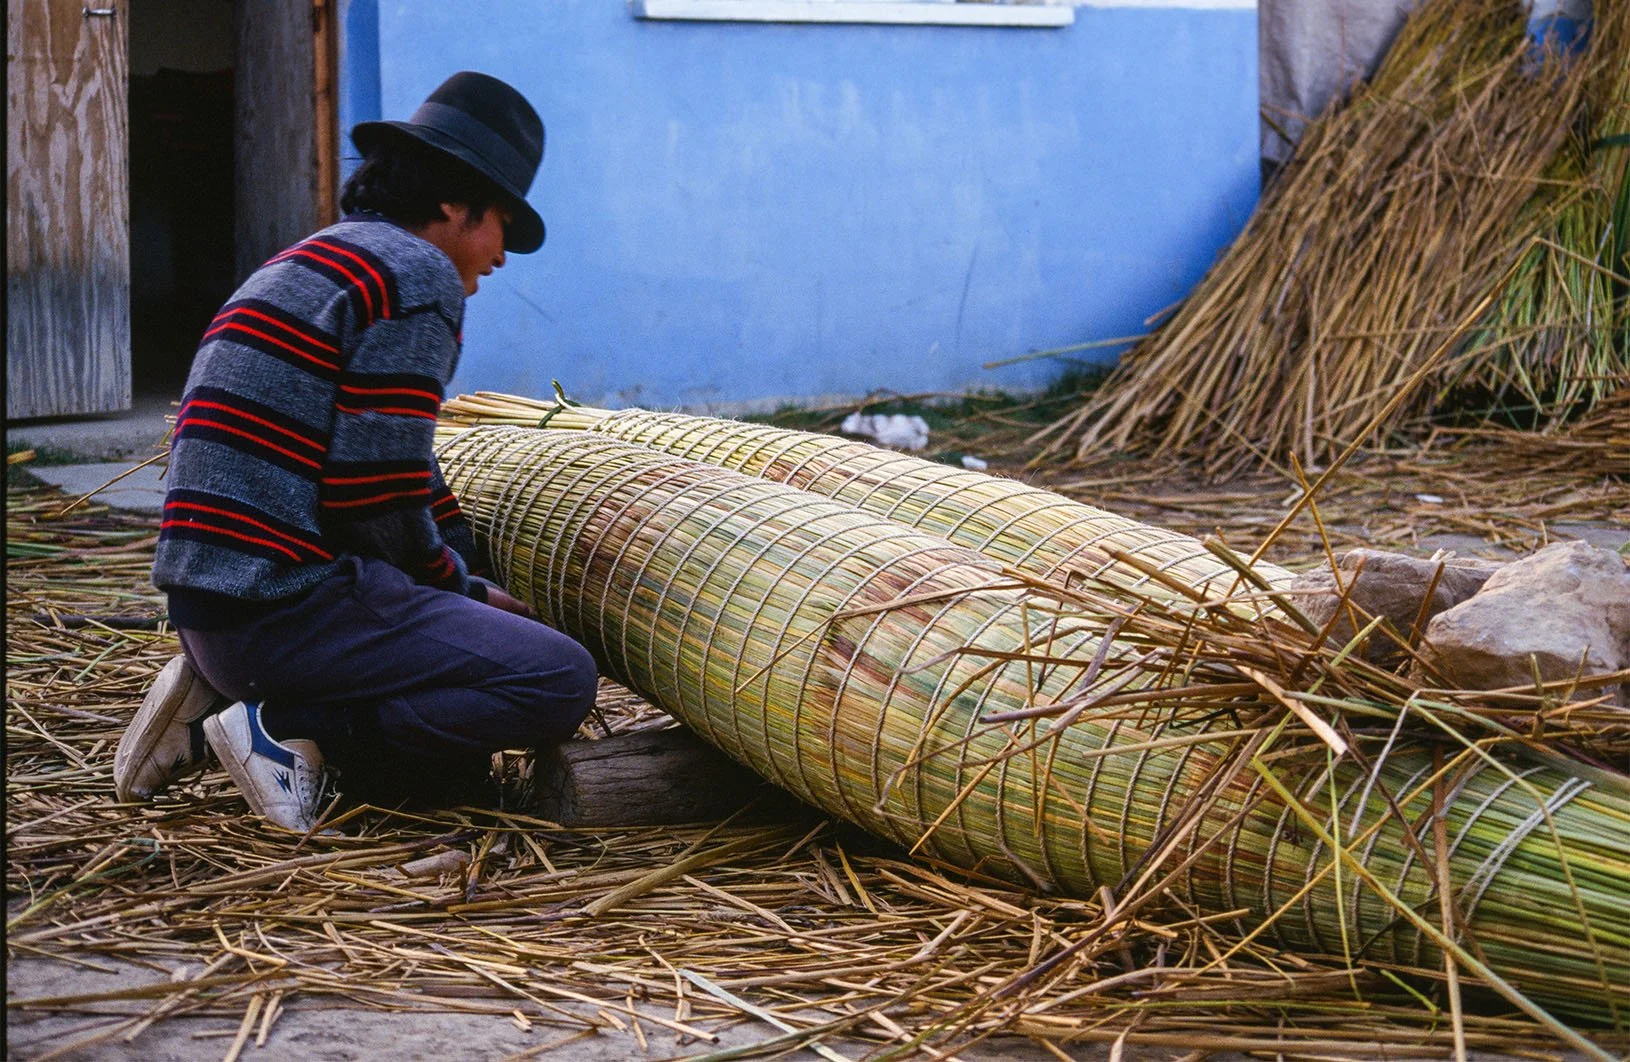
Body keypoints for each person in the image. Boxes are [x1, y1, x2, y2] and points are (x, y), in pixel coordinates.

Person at [112, 72, 597, 831]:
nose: (503, 257)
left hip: (210, 611)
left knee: (448, 755)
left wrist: (467, 562)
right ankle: (283, 723)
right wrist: (463, 596)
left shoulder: (320, 260)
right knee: (557, 678)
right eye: (502, 220)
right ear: (452, 202)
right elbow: (374, 494)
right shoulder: (415, 277)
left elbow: (404, 463)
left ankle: (227, 692)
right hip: (278, 610)